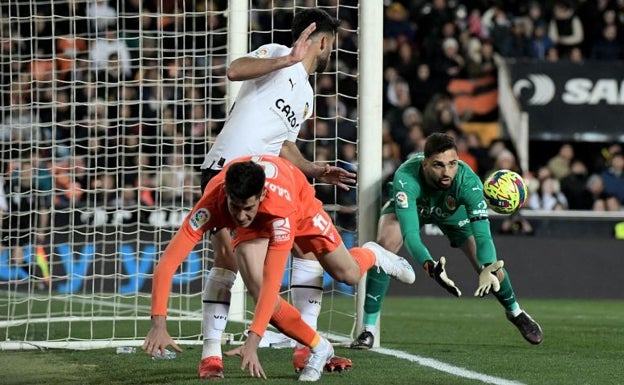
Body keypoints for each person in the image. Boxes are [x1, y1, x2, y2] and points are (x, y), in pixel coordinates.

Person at [159, 8, 355, 379]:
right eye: (334, 44)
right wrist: (289, 58)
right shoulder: (275, 53)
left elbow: (284, 146)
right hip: (225, 169)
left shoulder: (308, 96)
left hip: (265, 177)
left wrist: (314, 169)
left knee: (303, 247)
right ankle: (211, 353)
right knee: (229, 259)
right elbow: (234, 70)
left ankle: (305, 347)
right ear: (325, 41)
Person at [142, 155, 415, 381]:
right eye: (234, 207)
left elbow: (275, 278)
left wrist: (253, 340)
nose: (240, 215)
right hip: (259, 222)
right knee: (259, 290)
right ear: (226, 193)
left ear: (261, 194)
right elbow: (168, 262)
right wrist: (159, 323)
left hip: (302, 207)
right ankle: (319, 346)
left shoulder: (279, 209)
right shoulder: (213, 202)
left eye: (247, 207)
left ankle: (373, 253)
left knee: (349, 274)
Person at [350, 133, 543, 350]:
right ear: (424, 163)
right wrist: (429, 265)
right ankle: (368, 329)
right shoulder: (406, 177)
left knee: (492, 267)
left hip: (452, 214)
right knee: (383, 245)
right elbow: (411, 234)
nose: (447, 172)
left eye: (452, 164)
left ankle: (515, 312)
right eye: (438, 165)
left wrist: (487, 265)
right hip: (415, 210)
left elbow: (483, 235)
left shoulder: (469, 182)